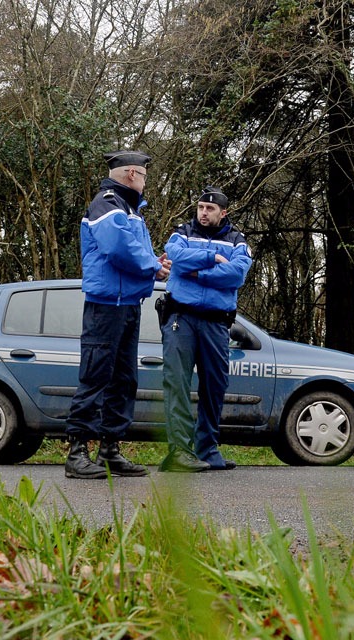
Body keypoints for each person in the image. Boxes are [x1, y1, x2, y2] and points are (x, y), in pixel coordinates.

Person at [64, 150, 171, 479]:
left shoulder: (130, 209)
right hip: (105, 306)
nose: (145, 182)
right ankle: (77, 451)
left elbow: (135, 250)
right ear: (130, 175)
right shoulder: (106, 203)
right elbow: (119, 248)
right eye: (143, 176)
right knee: (95, 376)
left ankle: (109, 450)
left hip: (128, 305)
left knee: (124, 380)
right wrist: (154, 266)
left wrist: (156, 265)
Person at [158, 186, 253, 472]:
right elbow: (174, 256)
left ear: (223, 212)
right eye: (200, 207)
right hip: (180, 318)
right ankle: (180, 452)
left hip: (215, 322)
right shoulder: (182, 233)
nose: (203, 212)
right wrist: (211, 259)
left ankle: (207, 450)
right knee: (177, 383)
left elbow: (236, 275)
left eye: (210, 209)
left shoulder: (238, 241)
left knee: (214, 385)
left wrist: (194, 271)